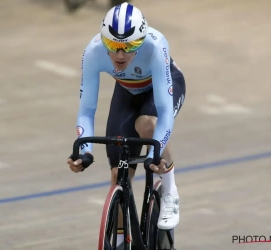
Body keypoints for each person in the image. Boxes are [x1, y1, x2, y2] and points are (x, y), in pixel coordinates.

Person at [67, 2, 186, 247]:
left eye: (129, 47)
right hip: (127, 92)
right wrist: (84, 151)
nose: (120, 55)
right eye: (113, 46)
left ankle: (170, 192)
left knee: (148, 125)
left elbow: (164, 111)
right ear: (104, 41)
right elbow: (87, 110)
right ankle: (122, 241)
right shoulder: (93, 51)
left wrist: (155, 153)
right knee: (118, 172)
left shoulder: (156, 45)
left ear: (140, 41)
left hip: (160, 89)